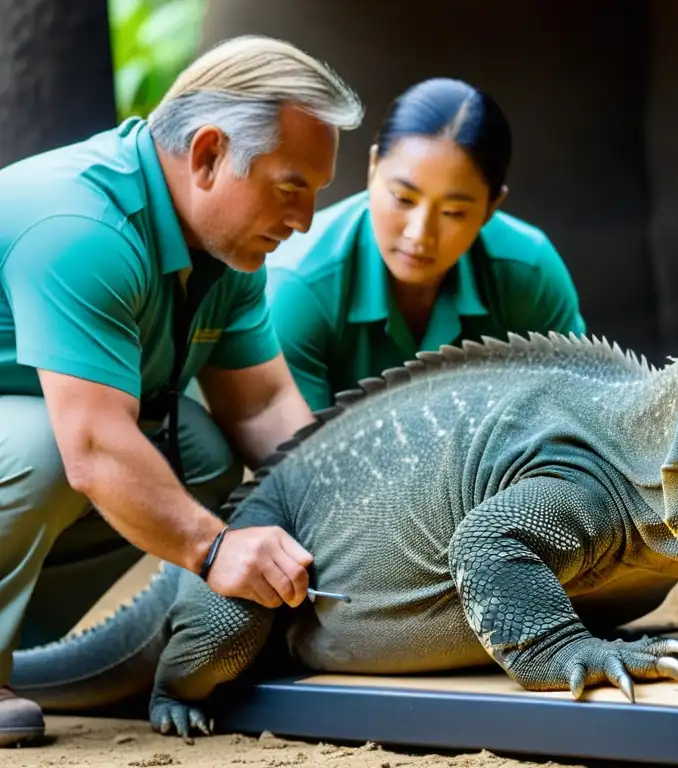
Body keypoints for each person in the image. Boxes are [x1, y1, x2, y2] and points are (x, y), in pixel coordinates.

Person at [0, 35, 364, 745]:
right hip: (42, 442)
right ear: (206, 156)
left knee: (196, 451)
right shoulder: (84, 226)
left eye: (315, 196)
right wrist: (214, 550)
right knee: (55, 448)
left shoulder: (227, 254)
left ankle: (16, 648)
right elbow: (95, 450)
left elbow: (260, 408)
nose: (304, 222)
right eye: (290, 188)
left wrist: (355, 507)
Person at [265, 77, 587, 411]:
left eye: (453, 212)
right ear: (373, 168)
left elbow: (575, 420)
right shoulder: (298, 286)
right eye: (403, 198)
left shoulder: (530, 274)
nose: (419, 234)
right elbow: (297, 457)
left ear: (491, 208)